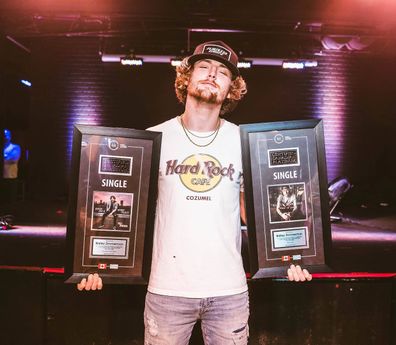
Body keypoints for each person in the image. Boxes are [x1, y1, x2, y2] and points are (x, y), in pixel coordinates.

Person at [78, 41, 312, 344]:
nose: (212, 74)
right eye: (204, 67)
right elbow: (122, 206)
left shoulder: (245, 142)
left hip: (229, 292)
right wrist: (91, 264)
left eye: (223, 72)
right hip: (167, 292)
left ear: (232, 88)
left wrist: (290, 256)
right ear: (186, 78)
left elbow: (256, 213)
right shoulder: (153, 140)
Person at [2, 129, 21, 203]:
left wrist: (4, 160)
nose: (4, 137)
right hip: (2, 178)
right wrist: (6, 158)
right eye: (3, 135)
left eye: (6, 135)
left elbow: (14, 160)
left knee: (10, 201)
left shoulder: (15, 147)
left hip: (10, 177)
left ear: (10, 137)